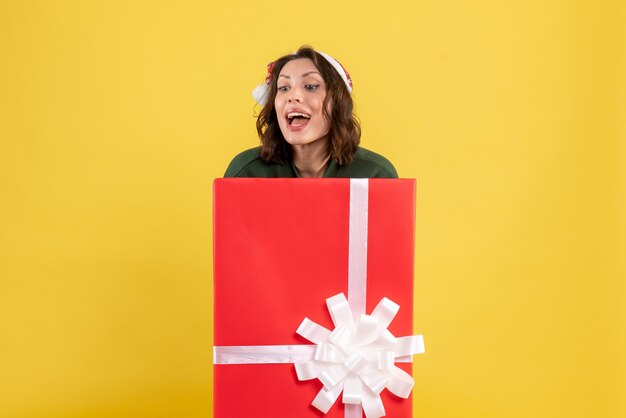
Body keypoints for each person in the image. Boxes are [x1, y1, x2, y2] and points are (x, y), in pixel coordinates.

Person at [224, 46, 398, 178]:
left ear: (337, 102)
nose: (293, 96)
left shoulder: (376, 175)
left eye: (311, 86)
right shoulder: (246, 172)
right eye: (283, 88)